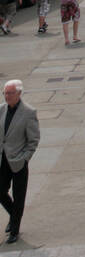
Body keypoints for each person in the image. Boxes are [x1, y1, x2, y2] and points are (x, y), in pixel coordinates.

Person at [0, 80, 40, 244]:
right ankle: (13, 215)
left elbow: (33, 140)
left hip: (19, 162)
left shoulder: (28, 112)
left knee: (19, 196)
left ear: (19, 94)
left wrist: (25, 158)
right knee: (0, 191)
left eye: (10, 93)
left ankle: (14, 231)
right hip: (3, 159)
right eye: (5, 93)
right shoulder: (1, 110)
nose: (7, 96)